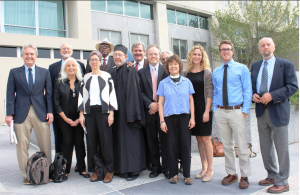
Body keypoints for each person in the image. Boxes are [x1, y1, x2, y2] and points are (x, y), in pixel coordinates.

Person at [251, 37, 298, 194]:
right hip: (261, 111)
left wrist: (273, 95)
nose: (265, 47)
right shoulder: (256, 65)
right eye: (262, 45)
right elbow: (252, 86)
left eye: (268, 45)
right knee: (265, 147)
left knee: (282, 149)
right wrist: (253, 95)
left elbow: (292, 86)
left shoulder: (286, 65)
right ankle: (271, 175)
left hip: (278, 111)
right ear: (259, 49)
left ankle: (283, 181)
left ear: (274, 47)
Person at [5, 44, 53, 184]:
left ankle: (46, 172)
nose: (29, 56)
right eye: (26, 54)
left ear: (36, 56)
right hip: (21, 113)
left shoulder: (44, 72)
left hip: (41, 111)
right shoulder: (14, 72)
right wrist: (9, 114)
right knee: (22, 145)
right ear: (22, 55)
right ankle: (26, 175)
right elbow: (10, 94)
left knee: (45, 144)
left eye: (32, 54)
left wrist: (50, 111)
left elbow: (48, 95)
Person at [212, 40, 252, 189]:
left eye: (228, 49)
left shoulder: (242, 68)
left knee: (241, 145)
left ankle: (245, 175)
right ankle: (231, 173)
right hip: (221, 112)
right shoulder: (216, 71)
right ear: (220, 52)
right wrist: (215, 109)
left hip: (237, 111)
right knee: (227, 146)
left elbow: (248, 90)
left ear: (233, 51)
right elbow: (215, 91)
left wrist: (244, 111)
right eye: (223, 49)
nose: (226, 52)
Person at [78, 51, 118, 183]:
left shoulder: (107, 76)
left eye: (96, 59)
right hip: (89, 113)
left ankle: (109, 170)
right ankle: (96, 170)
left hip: (104, 112)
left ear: (100, 62)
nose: (94, 62)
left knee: (106, 142)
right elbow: (81, 97)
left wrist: (111, 113)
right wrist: (81, 114)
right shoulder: (85, 77)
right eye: (92, 60)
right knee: (92, 142)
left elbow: (112, 94)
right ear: (89, 62)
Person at [157, 54, 195, 185]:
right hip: (169, 118)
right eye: (170, 64)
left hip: (184, 117)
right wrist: (162, 121)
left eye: (175, 63)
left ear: (179, 65)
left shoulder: (187, 82)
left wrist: (192, 118)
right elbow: (160, 103)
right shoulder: (163, 83)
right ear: (167, 67)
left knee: (185, 146)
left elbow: (191, 100)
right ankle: (173, 174)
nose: (173, 66)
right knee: (171, 146)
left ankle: (187, 175)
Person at [111, 44, 146, 181]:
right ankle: (122, 169)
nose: (117, 57)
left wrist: (132, 115)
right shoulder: (113, 73)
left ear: (126, 57)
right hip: (117, 114)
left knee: (131, 142)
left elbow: (133, 94)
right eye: (115, 55)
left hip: (129, 115)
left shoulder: (130, 71)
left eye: (120, 55)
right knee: (120, 142)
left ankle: (134, 170)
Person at [54, 57, 89, 180]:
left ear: (77, 68)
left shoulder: (82, 82)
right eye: (68, 66)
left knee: (79, 142)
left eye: (73, 65)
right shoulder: (59, 82)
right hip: (64, 118)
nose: (71, 68)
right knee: (68, 142)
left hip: (79, 117)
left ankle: (82, 168)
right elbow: (56, 102)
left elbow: (85, 100)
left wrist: (81, 116)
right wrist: (66, 119)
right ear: (64, 68)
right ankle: (66, 169)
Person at [138, 44, 169, 179]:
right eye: (151, 54)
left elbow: (169, 90)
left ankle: (167, 167)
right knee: (151, 140)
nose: (153, 56)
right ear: (147, 56)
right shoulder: (141, 72)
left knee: (165, 140)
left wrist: (158, 105)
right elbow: (140, 91)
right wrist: (150, 104)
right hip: (149, 112)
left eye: (156, 54)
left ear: (159, 55)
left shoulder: (166, 71)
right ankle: (156, 167)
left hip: (164, 112)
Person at [49, 43, 85, 155]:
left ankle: (80, 166)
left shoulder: (80, 65)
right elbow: (51, 90)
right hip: (60, 112)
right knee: (61, 138)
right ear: (60, 51)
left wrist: (81, 115)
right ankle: (60, 163)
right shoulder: (53, 67)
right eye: (63, 49)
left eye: (68, 48)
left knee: (79, 141)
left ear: (72, 50)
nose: (66, 50)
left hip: (78, 112)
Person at [185, 45, 214, 182]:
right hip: (192, 109)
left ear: (202, 57)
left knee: (206, 139)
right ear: (191, 56)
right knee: (198, 139)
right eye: (194, 54)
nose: (196, 57)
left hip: (204, 107)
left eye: (199, 55)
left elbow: (209, 93)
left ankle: (210, 169)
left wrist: (207, 111)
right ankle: (203, 167)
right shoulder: (186, 73)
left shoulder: (207, 72)